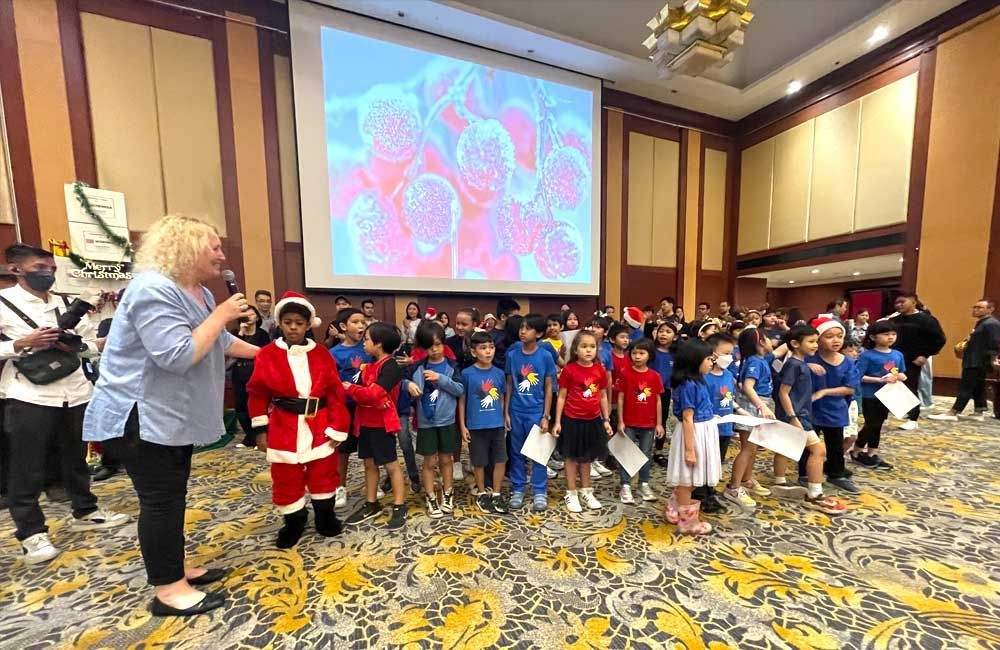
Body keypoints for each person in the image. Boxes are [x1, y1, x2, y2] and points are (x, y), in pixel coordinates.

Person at [82, 216, 259, 615]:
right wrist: (222, 316)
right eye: (213, 247)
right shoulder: (152, 289)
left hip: (171, 415)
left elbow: (221, 340)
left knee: (173, 496)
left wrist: (267, 355)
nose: (222, 255)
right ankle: (168, 591)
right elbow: (177, 355)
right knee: (160, 500)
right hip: (140, 414)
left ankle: (174, 569)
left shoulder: (197, 292)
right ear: (187, 247)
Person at [1, 243, 130, 566]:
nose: (47, 273)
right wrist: (22, 343)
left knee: (75, 457)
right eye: (39, 268)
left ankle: (85, 509)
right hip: (29, 394)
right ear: (16, 268)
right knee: (26, 465)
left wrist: (75, 345)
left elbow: (90, 346)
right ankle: (31, 533)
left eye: (51, 269)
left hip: (74, 392)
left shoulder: (68, 303)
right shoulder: (3, 304)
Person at [247, 292, 350, 548]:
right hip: (284, 425)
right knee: (286, 476)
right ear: (280, 323)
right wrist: (261, 430)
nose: (293, 327)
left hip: (319, 424)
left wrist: (337, 425)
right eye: (288, 321)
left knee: (324, 473)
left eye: (299, 323)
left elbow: (336, 393)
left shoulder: (322, 354)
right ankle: (294, 521)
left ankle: (325, 516)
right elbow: (257, 393)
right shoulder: (267, 355)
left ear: (308, 324)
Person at [771, 324, 847, 514]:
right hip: (797, 415)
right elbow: (783, 392)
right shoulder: (794, 366)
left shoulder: (798, 364)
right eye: (811, 341)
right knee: (818, 450)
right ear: (795, 344)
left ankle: (779, 481)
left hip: (796, 414)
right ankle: (814, 493)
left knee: (784, 448)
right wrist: (793, 417)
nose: (815, 345)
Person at [342, 322, 408, 529]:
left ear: (378, 344)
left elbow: (373, 393)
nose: (363, 343)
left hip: (382, 424)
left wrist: (351, 388)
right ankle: (372, 503)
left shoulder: (391, 366)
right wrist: (368, 396)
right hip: (365, 422)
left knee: (391, 465)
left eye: (367, 339)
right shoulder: (369, 366)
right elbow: (370, 396)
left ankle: (399, 505)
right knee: (369, 464)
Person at [409, 321, 464, 518]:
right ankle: (430, 495)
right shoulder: (417, 367)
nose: (435, 349)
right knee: (429, 462)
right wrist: (408, 385)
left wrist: (440, 378)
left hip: (447, 421)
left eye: (439, 344)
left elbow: (459, 390)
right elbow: (404, 381)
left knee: (446, 460)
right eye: (430, 346)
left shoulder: (451, 366)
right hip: (426, 423)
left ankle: (448, 493)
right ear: (424, 347)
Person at [553, 331, 612, 512]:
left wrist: (606, 419)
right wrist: (557, 422)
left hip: (593, 420)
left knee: (587, 458)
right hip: (572, 420)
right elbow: (561, 397)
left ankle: (587, 490)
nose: (588, 350)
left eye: (592, 347)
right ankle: (571, 493)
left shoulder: (599, 370)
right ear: (576, 350)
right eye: (584, 346)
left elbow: (602, 396)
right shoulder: (569, 370)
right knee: (571, 458)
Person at [665, 339, 719, 534]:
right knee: (688, 479)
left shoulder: (698, 381)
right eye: (708, 358)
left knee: (690, 478)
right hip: (693, 434)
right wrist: (690, 450)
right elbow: (688, 418)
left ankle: (675, 506)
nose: (712, 362)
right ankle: (687, 523)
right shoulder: (688, 385)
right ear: (694, 360)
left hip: (701, 430)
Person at [800, 317, 860, 493]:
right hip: (811, 410)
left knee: (835, 445)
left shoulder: (848, 362)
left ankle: (836, 474)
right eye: (829, 336)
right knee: (807, 445)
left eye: (839, 336)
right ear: (817, 339)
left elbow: (849, 388)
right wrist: (806, 366)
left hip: (835, 410)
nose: (836, 340)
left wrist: (824, 392)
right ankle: (804, 473)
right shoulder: (808, 361)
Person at [504, 313, 557, 511]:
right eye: (521, 328)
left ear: (540, 333)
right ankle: (518, 487)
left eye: (528, 328)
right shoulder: (512, 354)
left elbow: (549, 386)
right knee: (516, 452)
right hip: (516, 411)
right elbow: (509, 383)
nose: (522, 331)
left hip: (536, 412)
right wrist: (506, 411)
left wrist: (546, 416)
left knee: (538, 453)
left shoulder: (544, 356)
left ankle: (539, 490)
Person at [724, 328, 775, 510]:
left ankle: (746, 479)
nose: (771, 341)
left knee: (753, 449)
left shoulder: (759, 359)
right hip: (753, 406)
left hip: (760, 404)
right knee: (747, 449)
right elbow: (748, 386)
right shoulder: (754, 362)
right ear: (760, 342)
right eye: (767, 338)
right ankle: (733, 486)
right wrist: (761, 407)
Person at [458, 331, 508, 514]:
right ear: (473, 352)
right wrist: (463, 425)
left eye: (491, 347)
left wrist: (504, 417)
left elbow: (502, 397)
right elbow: (462, 401)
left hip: (497, 424)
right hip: (476, 426)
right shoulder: (467, 374)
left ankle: (496, 493)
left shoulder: (499, 373)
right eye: (483, 348)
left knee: (500, 459)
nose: (488, 352)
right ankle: (481, 493)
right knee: (479, 462)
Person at [329, 307, 374, 509]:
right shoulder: (334, 353)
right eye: (356, 322)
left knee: (369, 450)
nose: (361, 326)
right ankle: (340, 487)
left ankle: (371, 486)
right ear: (343, 326)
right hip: (345, 408)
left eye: (363, 322)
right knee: (343, 451)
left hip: (367, 406)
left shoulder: (368, 348)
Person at [696, 332, 745, 513]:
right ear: (712, 354)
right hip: (709, 428)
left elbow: (729, 398)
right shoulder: (704, 377)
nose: (729, 357)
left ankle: (710, 491)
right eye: (725, 353)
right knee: (705, 462)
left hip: (725, 427)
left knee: (718, 461)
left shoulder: (727, 374)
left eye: (731, 353)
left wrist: (740, 410)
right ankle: (700, 495)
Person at [930, 299, 1000, 421]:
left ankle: (953, 412)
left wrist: (993, 358)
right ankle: (979, 411)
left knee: (966, 386)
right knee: (977, 384)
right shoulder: (983, 323)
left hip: (978, 360)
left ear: (990, 309)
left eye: (980, 308)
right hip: (975, 359)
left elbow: (995, 342)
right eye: (975, 307)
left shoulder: (991, 323)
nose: (976, 310)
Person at [615, 337, 664, 504]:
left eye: (641, 353)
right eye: (634, 353)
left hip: (648, 422)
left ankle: (644, 483)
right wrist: (620, 420)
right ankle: (625, 484)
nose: (637, 356)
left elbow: (657, 400)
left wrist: (659, 423)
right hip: (629, 421)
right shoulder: (625, 373)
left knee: (646, 454)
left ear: (649, 355)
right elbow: (620, 398)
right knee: (627, 453)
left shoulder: (655, 376)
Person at [852, 320, 906, 469]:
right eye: (886, 334)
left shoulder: (897, 354)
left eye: (893, 334)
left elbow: (900, 372)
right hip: (870, 395)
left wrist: (901, 377)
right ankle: (857, 451)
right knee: (871, 424)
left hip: (889, 394)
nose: (890, 337)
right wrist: (879, 380)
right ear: (873, 337)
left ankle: (871, 453)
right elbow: (858, 376)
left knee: (879, 424)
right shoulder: (868, 356)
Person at [889, 292, 945, 430]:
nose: (899, 305)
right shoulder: (894, 320)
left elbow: (939, 339)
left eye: (902, 302)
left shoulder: (926, 320)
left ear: (913, 302)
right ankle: (901, 411)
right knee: (892, 384)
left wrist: (924, 355)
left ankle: (913, 418)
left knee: (910, 386)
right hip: (894, 359)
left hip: (913, 359)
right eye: (897, 303)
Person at [232, 306, 270, 449]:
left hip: (255, 371)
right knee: (241, 405)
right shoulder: (236, 333)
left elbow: (265, 354)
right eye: (246, 312)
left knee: (255, 404)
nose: (249, 315)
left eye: (252, 313)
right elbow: (232, 350)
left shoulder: (262, 334)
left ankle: (258, 436)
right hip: (238, 372)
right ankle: (249, 437)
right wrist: (241, 332)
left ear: (257, 317)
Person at [650, 322, 676, 467]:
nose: (663, 334)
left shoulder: (675, 355)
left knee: (662, 420)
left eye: (668, 331)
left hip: (664, 392)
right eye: (661, 331)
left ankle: (658, 451)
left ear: (675, 336)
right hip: (646, 391)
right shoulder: (651, 351)